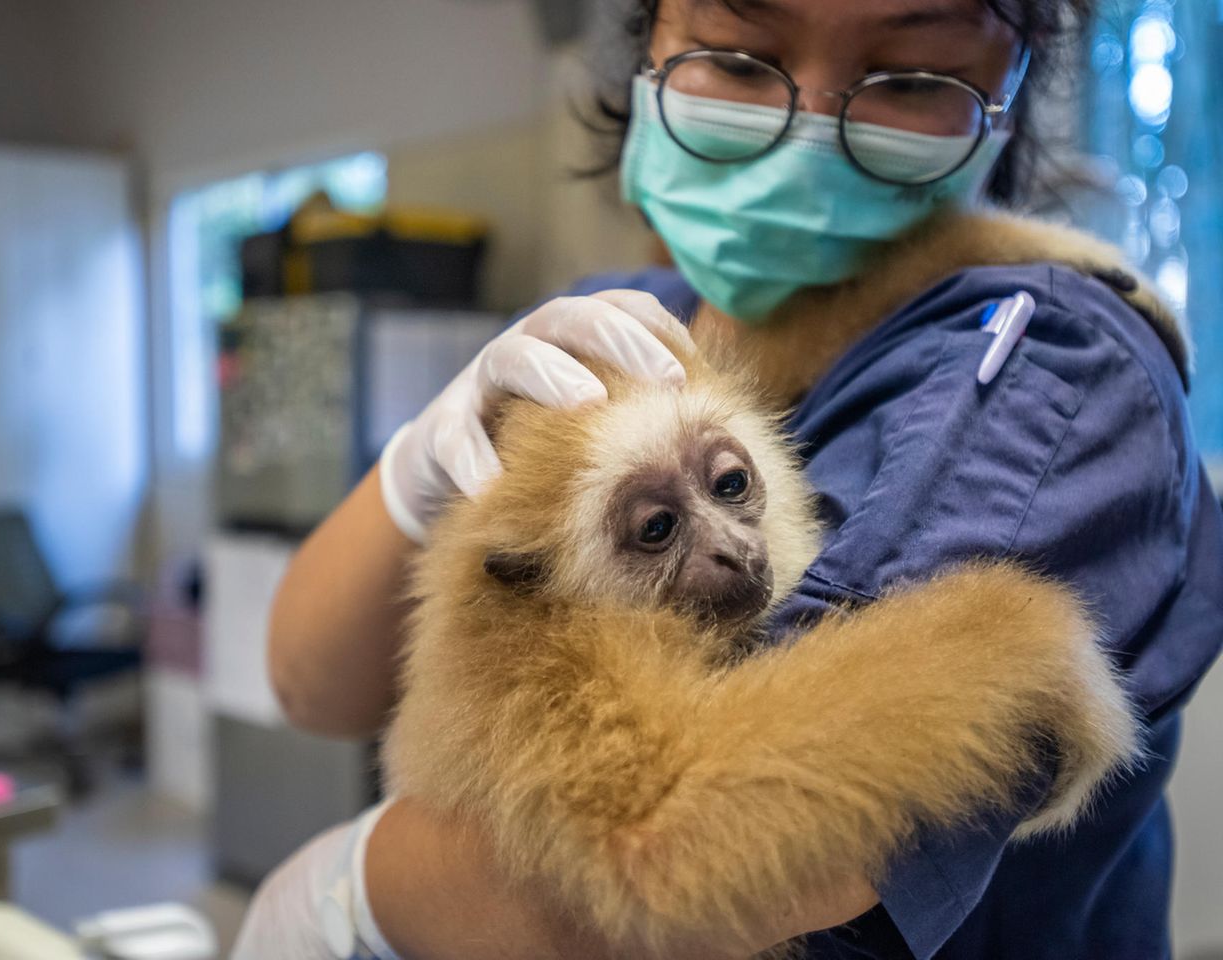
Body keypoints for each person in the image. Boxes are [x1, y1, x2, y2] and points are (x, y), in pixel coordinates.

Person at [235, 0, 1223, 957]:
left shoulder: (1046, 362)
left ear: (1007, 93)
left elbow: (766, 878)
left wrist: (366, 884)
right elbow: (309, 681)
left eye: (910, 74)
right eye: (743, 57)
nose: (811, 127)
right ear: (650, 43)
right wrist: (420, 462)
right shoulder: (613, 332)